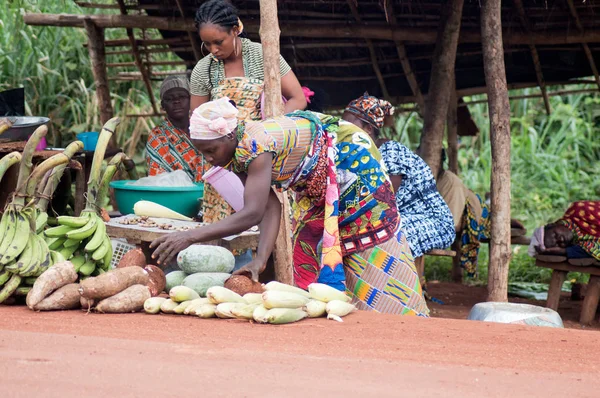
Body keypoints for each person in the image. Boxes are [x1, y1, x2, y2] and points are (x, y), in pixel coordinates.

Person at [150, 97, 429, 316]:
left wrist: (189, 236)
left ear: (228, 136)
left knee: (365, 234)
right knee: (309, 244)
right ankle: (338, 315)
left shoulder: (255, 143)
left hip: (351, 159)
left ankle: (397, 314)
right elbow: (270, 206)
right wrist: (260, 260)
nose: (209, 159)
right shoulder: (235, 152)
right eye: (203, 153)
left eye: (211, 150)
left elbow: (252, 213)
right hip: (316, 177)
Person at [342, 93, 456, 260]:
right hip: (400, 220)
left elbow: (384, 200)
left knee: (382, 235)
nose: (344, 132)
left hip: (433, 222)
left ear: (368, 129)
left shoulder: (390, 151)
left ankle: (400, 284)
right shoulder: (361, 157)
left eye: (349, 127)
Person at [189, 0, 306, 119]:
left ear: (235, 31)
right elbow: (198, 119)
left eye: (218, 42)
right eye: (207, 44)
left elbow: (298, 99)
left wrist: (271, 126)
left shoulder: (264, 56)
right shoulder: (203, 70)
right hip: (222, 137)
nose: (213, 50)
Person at [146, 76, 208, 182]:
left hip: (209, 192)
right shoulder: (158, 136)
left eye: (182, 97)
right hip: (175, 195)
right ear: (163, 105)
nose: (176, 101)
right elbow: (158, 179)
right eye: (169, 99)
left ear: (190, 100)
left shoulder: (204, 129)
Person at [530, 201, 600, 260]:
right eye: (558, 244)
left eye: (555, 235)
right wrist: (564, 251)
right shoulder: (579, 242)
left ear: (553, 225)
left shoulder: (577, 210)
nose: (560, 240)